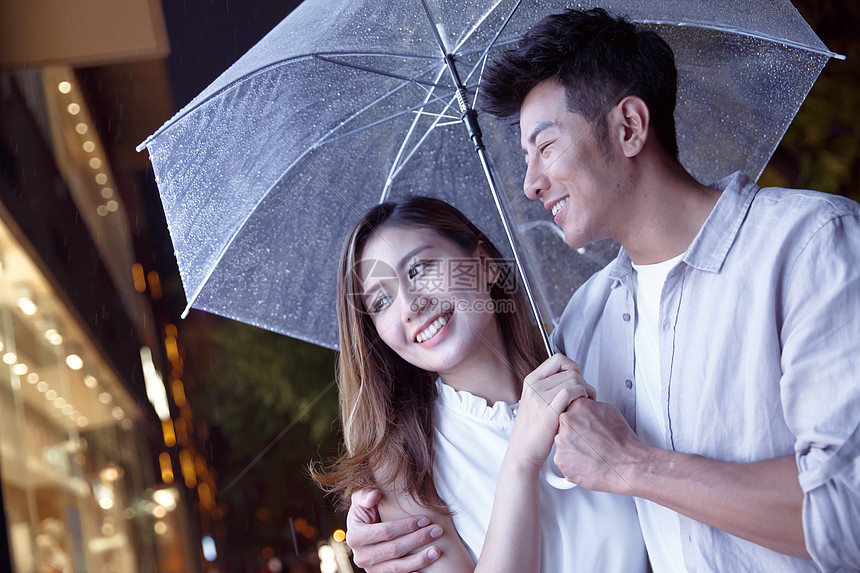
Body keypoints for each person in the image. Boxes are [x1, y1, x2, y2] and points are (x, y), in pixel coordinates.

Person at [344, 7, 860, 573]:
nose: (530, 184)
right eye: (524, 158)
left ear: (630, 127)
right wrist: (375, 522)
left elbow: (848, 511)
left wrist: (632, 465)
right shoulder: (587, 323)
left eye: (545, 147)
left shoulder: (807, 246)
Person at [312, 196, 647, 572]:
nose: (409, 305)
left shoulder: (595, 358)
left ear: (484, 264)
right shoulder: (404, 476)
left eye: (419, 268)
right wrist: (521, 458)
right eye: (381, 302)